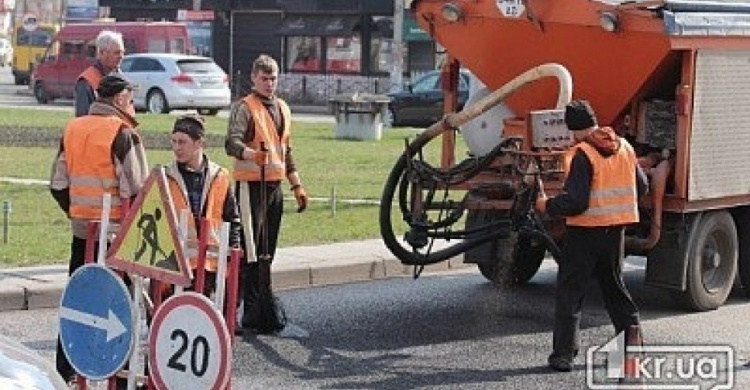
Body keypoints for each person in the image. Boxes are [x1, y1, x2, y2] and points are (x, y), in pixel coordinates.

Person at [535, 100, 649, 372]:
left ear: (573, 130)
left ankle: (563, 356)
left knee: (571, 293)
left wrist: (546, 205)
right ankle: (633, 352)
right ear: (595, 122)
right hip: (616, 232)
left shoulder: (583, 153)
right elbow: (642, 187)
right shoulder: (624, 147)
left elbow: (576, 202)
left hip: (584, 233)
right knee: (615, 290)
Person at [49, 74, 148, 383]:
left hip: (82, 231)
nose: (133, 107)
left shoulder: (74, 128)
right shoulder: (123, 133)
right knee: (121, 306)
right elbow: (136, 189)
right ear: (120, 100)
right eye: (131, 100)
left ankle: (64, 370)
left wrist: (76, 212)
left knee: (77, 301)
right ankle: (118, 374)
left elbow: (57, 184)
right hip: (115, 235)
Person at [224, 54, 308, 334]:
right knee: (249, 253)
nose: (270, 83)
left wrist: (296, 185)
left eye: (273, 78)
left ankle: (262, 310)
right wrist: (252, 154)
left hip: (274, 187)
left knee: (267, 253)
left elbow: (287, 151)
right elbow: (231, 143)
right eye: (264, 78)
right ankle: (241, 311)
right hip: (250, 185)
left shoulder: (282, 108)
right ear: (253, 78)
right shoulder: (244, 108)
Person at [164, 114, 242, 295]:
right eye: (174, 141)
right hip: (175, 265)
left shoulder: (220, 176)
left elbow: (231, 219)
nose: (176, 148)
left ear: (199, 143)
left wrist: (232, 255)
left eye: (182, 142)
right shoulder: (165, 176)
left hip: (208, 264)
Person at [74, 30, 126, 117]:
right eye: (117, 53)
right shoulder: (87, 81)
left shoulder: (122, 79)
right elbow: (82, 119)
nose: (121, 57)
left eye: (122, 52)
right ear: (102, 53)